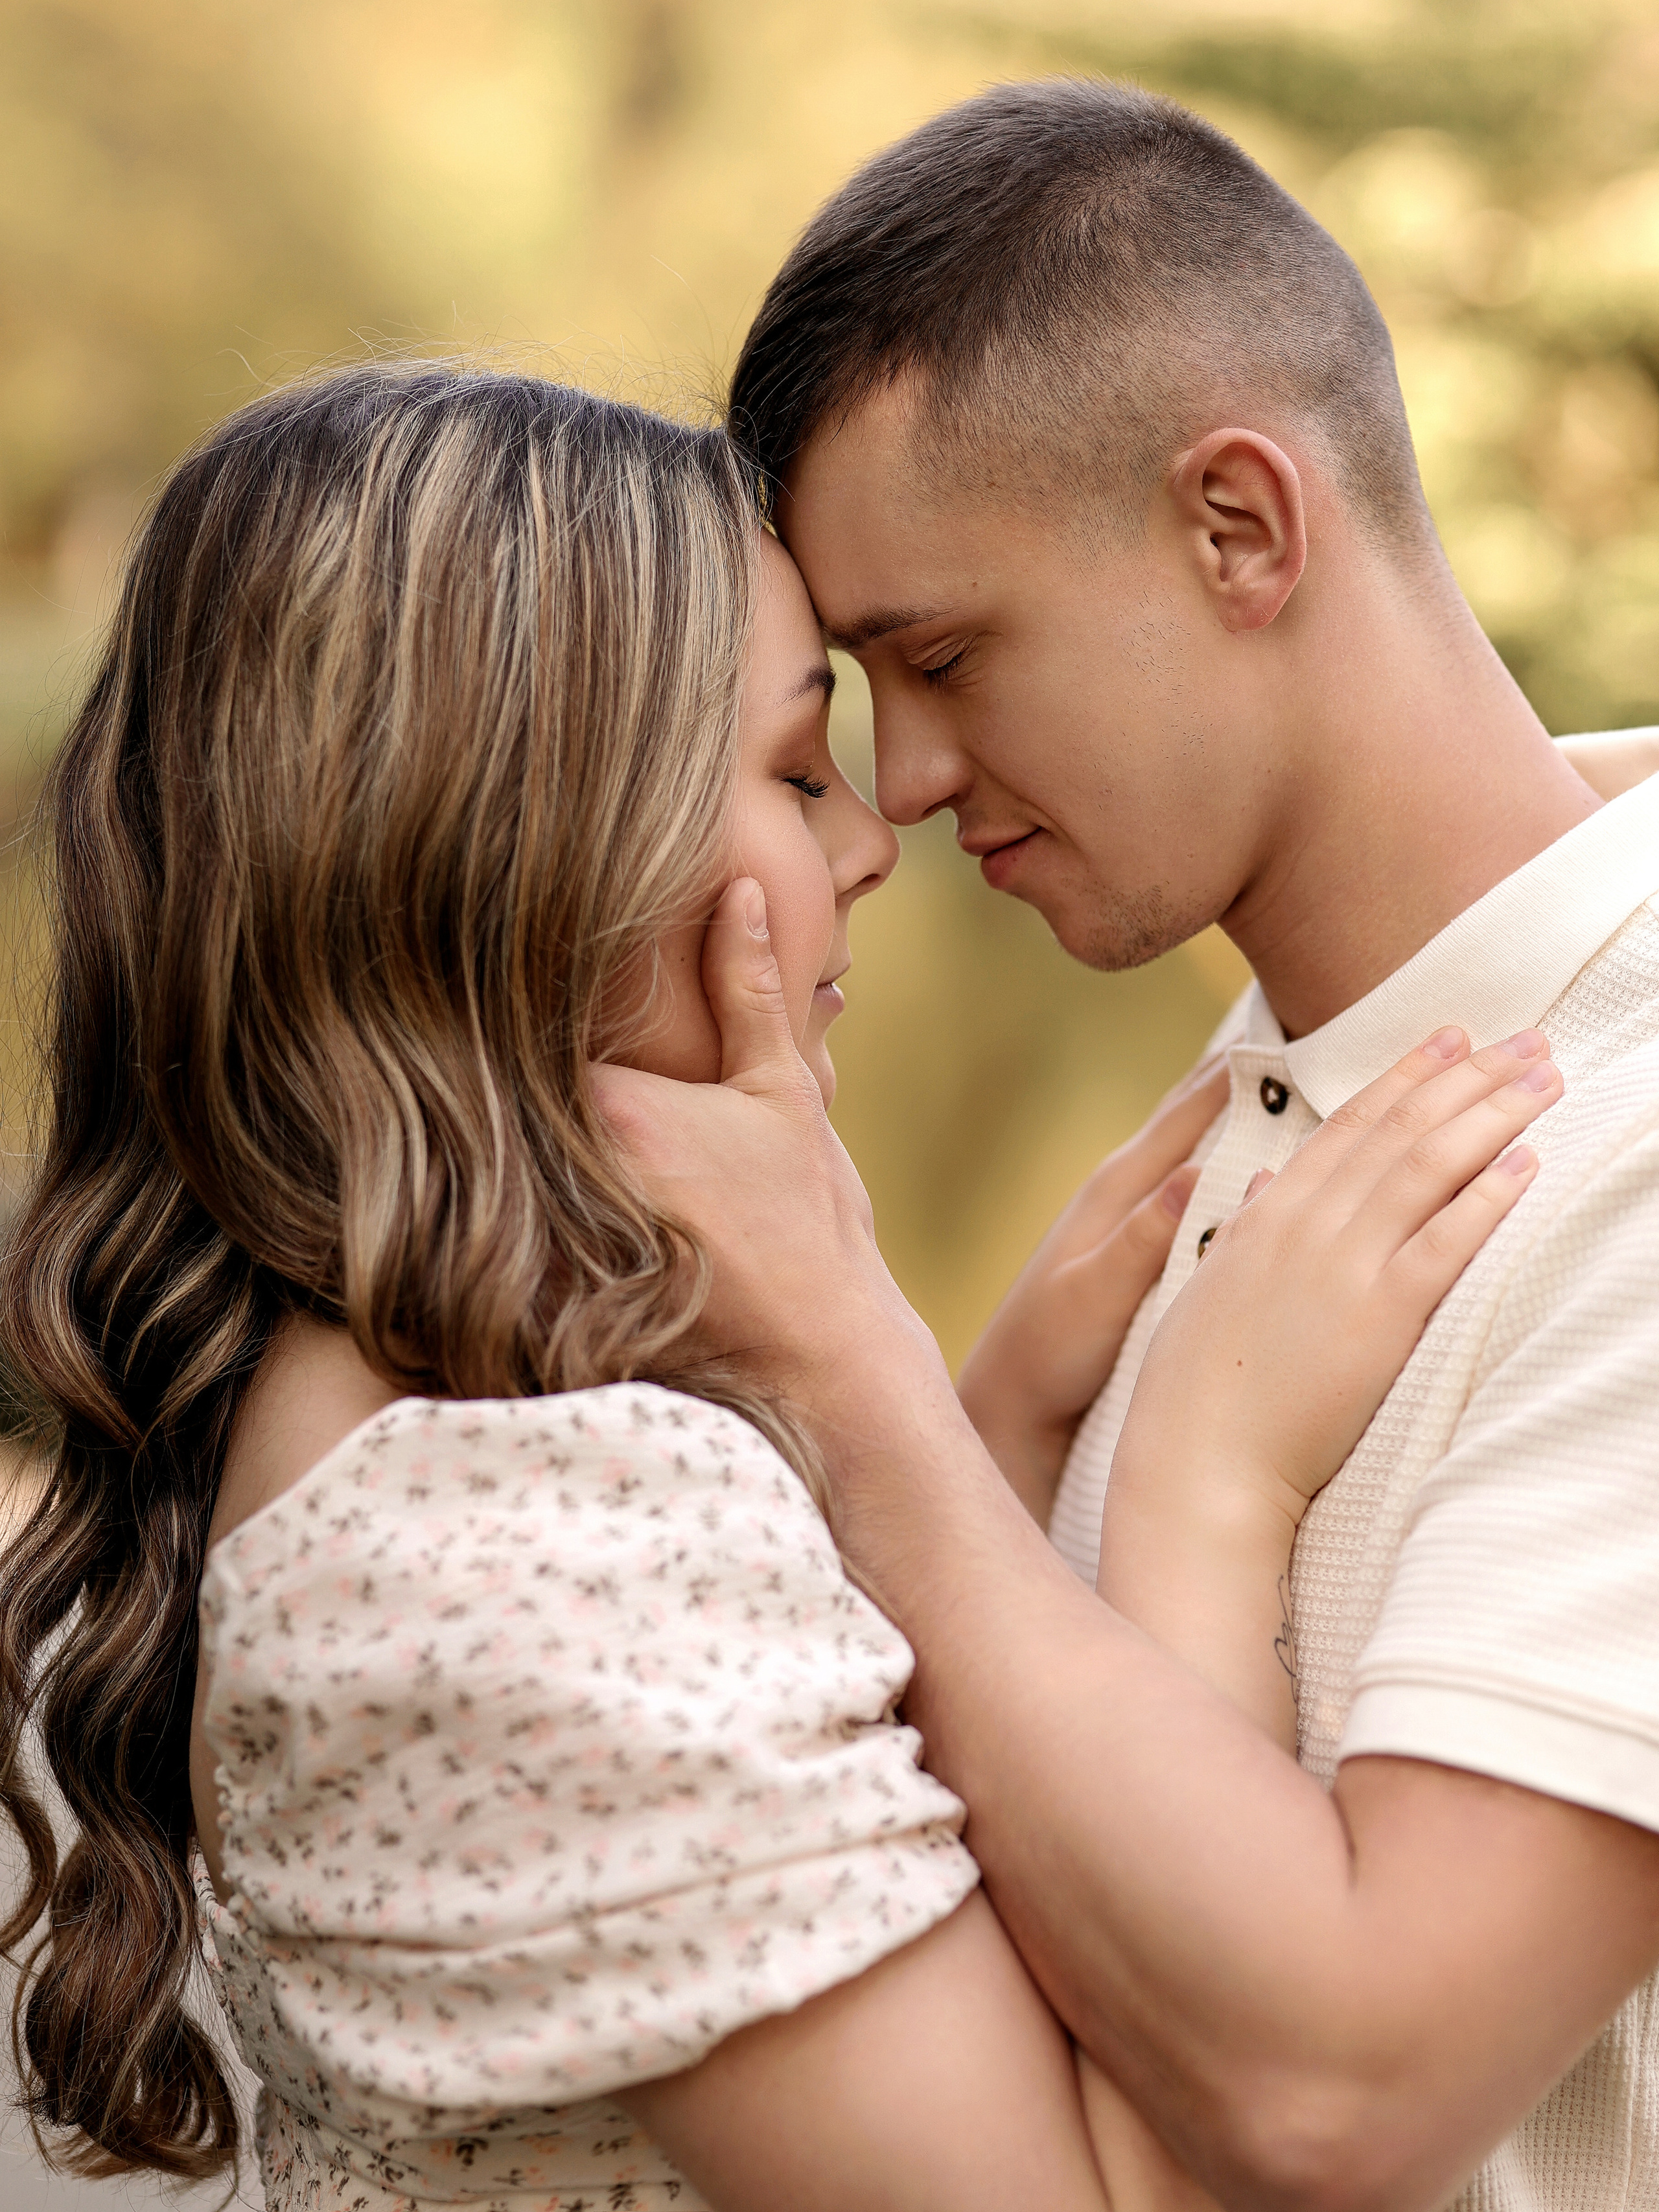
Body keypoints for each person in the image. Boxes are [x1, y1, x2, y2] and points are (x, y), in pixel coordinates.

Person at [0, 362, 1553, 2212]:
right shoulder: (501, 1537)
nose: (871, 841)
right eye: (795, 765)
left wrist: (968, 1425)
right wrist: (1204, 1477)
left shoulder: (440, 1415)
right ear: (526, 842)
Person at [596, 78, 1659, 2212]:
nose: (897, 790)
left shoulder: (1626, 1133)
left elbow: (1346, 2098)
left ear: (1242, 528)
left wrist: (861, 1384)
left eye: (948, 654)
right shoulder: (1244, 1133)